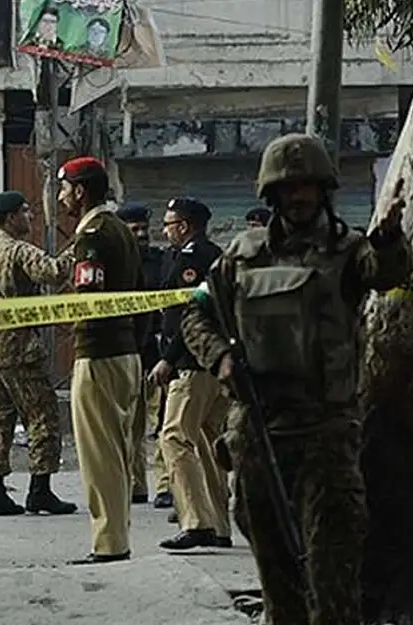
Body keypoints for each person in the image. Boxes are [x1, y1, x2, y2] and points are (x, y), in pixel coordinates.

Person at [182, 133, 410, 623]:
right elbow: (195, 315)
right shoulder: (242, 256)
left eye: (308, 187)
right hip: (259, 436)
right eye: (289, 189)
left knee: (333, 578)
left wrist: (389, 236)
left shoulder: (348, 250)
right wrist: (221, 358)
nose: (300, 197)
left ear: (323, 189)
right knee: (278, 582)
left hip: (325, 437)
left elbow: (386, 273)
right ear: (272, 195)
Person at [0, 191, 78, 517]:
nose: (31, 217)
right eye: (26, 211)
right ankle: (40, 489)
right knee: (42, 417)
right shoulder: (18, 251)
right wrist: (79, 248)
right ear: (11, 217)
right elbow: (54, 272)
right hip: (18, 351)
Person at [57, 157, 143, 565]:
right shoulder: (121, 230)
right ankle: (116, 535)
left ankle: (109, 543)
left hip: (98, 353)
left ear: (81, 190)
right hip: (126, 351)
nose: (60, 198)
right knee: (118, 449)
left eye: (65, 189)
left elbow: (89, 298)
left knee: (100, 453)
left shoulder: (92, 234)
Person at [146, 197, 230, 550]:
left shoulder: (195, 259)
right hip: (211, 363)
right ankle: (219, 524)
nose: (165, 231)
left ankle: (196, 522)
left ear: (183, 226)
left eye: (168, 224)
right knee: (208, 441)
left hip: (193, 363)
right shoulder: (212, 254)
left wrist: (169, 357)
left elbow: (188, 317)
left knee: (175, 436)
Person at [114, 203, 165, 506]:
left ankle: (165, 486)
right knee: (130, 424)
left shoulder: (159, 261)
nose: (143, 235)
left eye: (145, 229)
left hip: (155, 352)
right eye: (135, 230)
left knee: (161, 423)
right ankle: (136, 485)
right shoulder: (117, 265)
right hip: (128, 352)